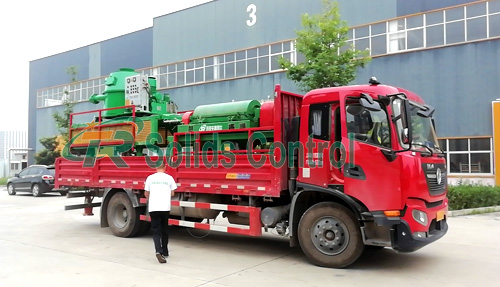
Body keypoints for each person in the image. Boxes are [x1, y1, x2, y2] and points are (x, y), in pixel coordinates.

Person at [144, 161, 177, 264]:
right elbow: (172, 193)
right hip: (165, 207)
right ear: (165, 167)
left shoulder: (150, 178)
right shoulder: (169, 178)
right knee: (164, 230)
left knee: (156, 230)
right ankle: (165, 251)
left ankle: (159, 251)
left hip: (154, 208)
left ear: (155, 167)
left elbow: (146, 193)